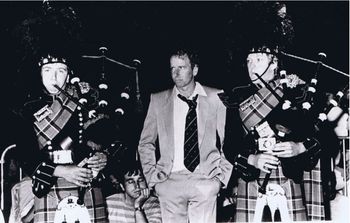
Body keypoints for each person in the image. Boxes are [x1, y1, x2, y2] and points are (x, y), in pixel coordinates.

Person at [219, 2, 340, 221]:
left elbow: (325, 138)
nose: (251, 65)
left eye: (257, 59)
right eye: (248, 60)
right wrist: (253, 159)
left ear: (274, 62)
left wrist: (299, 147)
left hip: (290, 178)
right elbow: (230, 146)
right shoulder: (237, 97)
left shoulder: (298, 92)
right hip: (252, 181)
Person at [138, 46, 232, 223]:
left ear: (195, 69)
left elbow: (228, 141)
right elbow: (146, 143)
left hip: (205, 178)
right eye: (172, 68)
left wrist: (221, 179)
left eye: (181, 67)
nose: (176, 73)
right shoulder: (158, 100)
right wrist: (153, 179)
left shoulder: (217, 97)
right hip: (169, 180)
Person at [15, 52, 110, 223]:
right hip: (48, 183)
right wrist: (62, 171)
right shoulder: (26, 109)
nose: (54, 77)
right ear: (39, 73)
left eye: (61, 70)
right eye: (48, 70)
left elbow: (99, 141)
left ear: (68, 74)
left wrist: (103, 156)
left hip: (85, 181)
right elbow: (25, 156)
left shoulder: (83, 102)